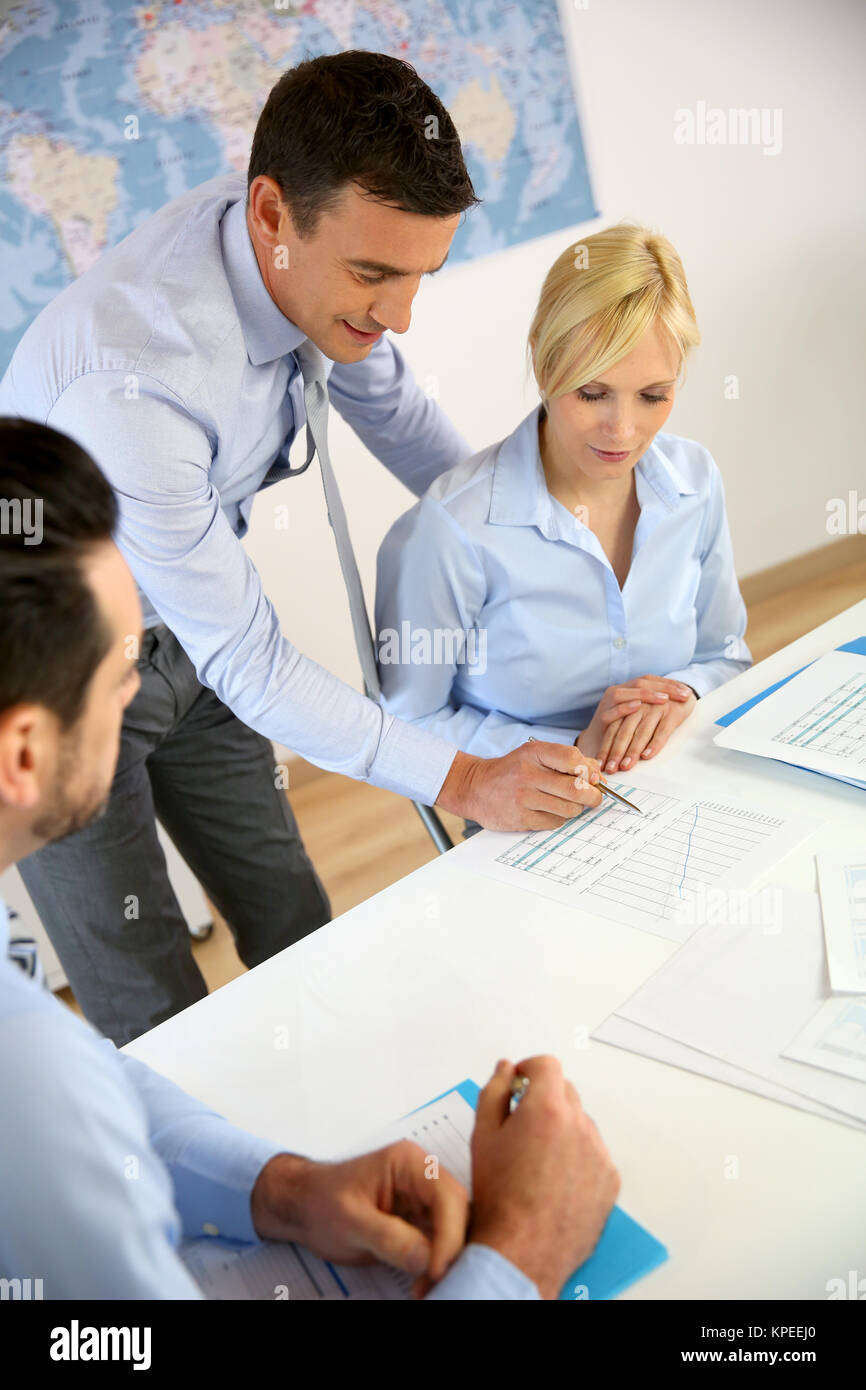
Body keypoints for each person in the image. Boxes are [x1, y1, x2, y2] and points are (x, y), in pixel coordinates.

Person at [0, 51, 601, 1046]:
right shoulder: (135, 382)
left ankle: (335, 1128)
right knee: (149, 1003)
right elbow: (254, 658)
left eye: (418, 276)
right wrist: (460, 779)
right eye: (373, 275)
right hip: (50, 671)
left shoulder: (288, 249)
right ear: (273, 216)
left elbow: (396, 409)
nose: (396, 314)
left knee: (293, 918)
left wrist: (525, 547)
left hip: (189, 633)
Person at [0, 418, 620, 1299]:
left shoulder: (42, 1065)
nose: (142, 685)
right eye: (119, 673)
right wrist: (521, 1254)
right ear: (25, 755)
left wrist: (281, 1190)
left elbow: (90, 1090)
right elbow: (56, 1099)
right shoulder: (28, 1074)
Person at [375, 224, 752, 812]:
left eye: (653, 396)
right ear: (544, 365)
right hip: (529, 816)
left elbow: (728, 656)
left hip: (684, 786)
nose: (623, 431)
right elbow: (404, 728)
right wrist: (572, 746)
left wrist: (686, 693)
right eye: (592, 393)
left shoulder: (696, 482)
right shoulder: (450, 532)